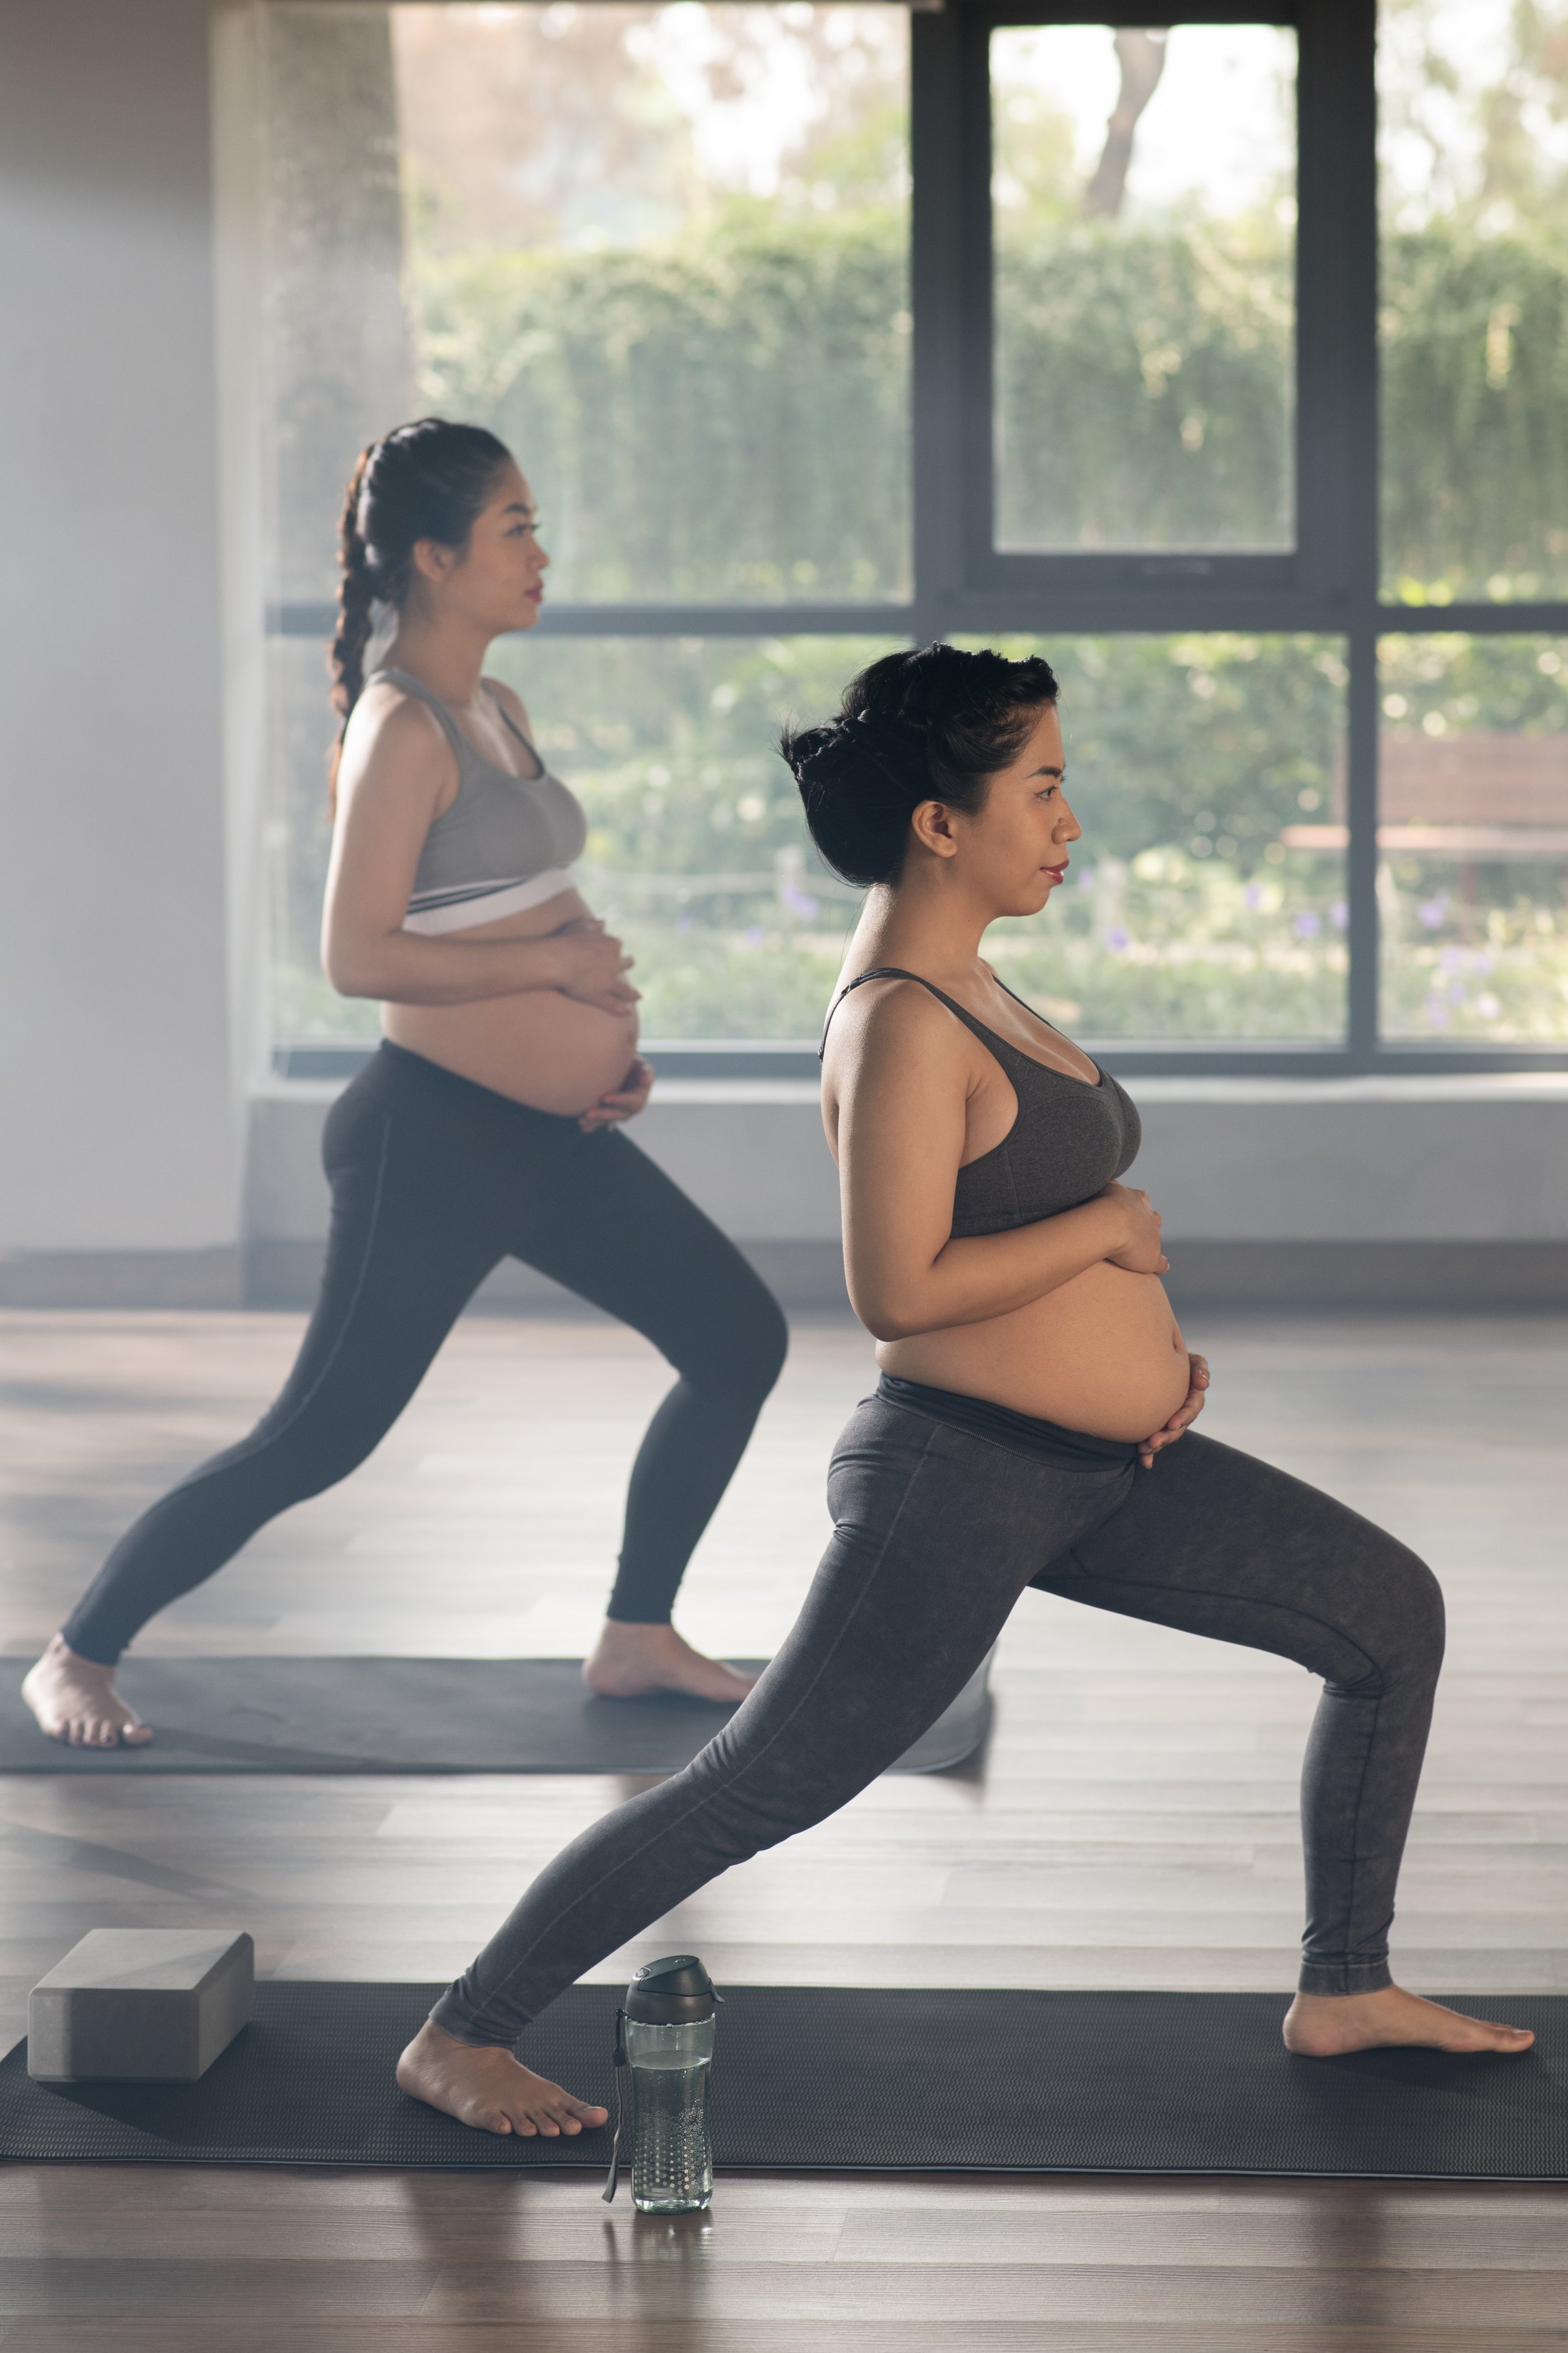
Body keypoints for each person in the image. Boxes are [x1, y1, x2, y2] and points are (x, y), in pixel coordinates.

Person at [390, 639, 1533, 2142]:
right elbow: (896, 1289)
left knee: (1385, 1613)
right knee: (760, 1784)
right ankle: (461, 2032)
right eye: (1041, 787)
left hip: (1101, 1469)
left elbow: (1006, 1236)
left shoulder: (973, 987)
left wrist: (1139, 1362)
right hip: (960, 1480)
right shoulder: (897, 1020)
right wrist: (1107, 1235)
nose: (1067, 820)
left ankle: (1342, 1984)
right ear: (940, 820)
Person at [23, 418, 787, 1751]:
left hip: (544, 1136)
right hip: (428, 1144)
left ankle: (637, 1632)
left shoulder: (498, 705)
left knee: (738, 1339)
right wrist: (552, 961)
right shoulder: (401, 725)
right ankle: (76, 1650)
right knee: (317, 1439)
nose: (542, 554)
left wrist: (599, 1042)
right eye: (516, 530)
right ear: (434, 557)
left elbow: (521, 897)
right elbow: (356, 955)